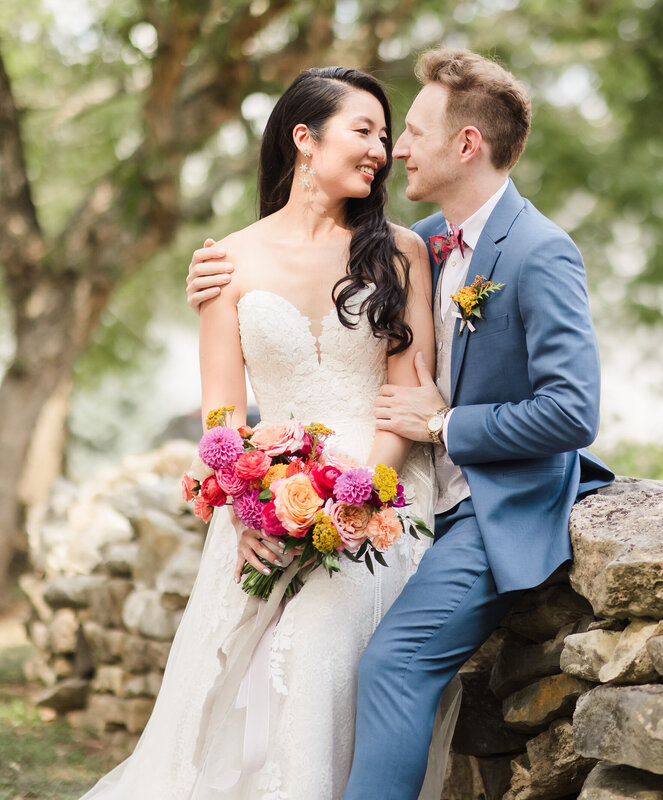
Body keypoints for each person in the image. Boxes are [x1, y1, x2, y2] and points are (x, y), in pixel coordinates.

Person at [186, 49, 613, 799]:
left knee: (385, 664)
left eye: (407, 133)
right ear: (304, 139)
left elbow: (574, 411)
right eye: (381, 135)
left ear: (466, 145)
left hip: (489, 502)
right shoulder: (418, 242)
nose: (394, 152)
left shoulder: (542, 251)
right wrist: (214, 278)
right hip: (409, 495)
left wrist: (443, 426)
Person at [83, 67, 454, 800]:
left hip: (381, 491)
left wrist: (359, 496)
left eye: (386, 135)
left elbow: (409, 396)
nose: (382, 149)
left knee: (311, 653)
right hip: (267, 496)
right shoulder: (229, 260)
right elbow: (222, 417)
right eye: (365, 131)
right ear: (303, 139)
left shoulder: (402, 252)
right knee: (221, 695)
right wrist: (244, 507)